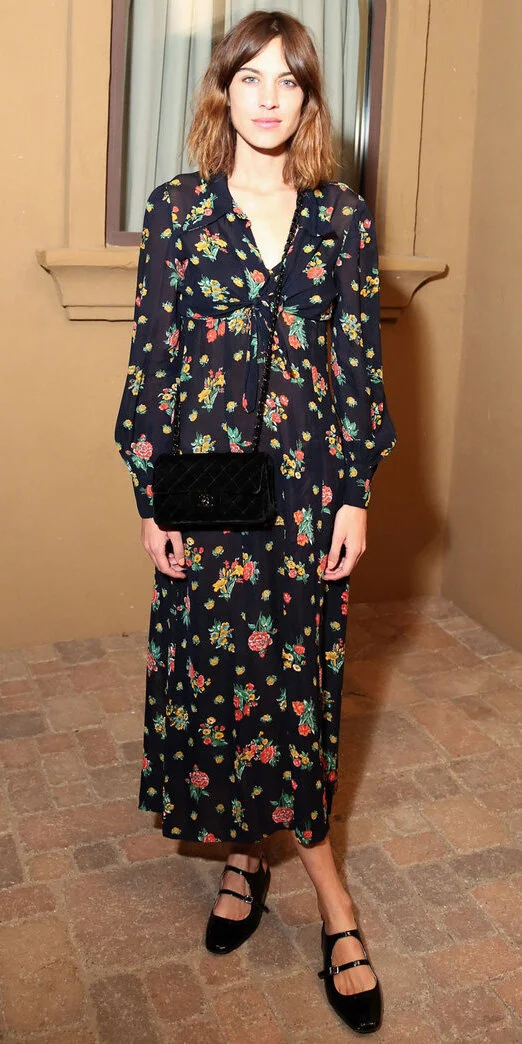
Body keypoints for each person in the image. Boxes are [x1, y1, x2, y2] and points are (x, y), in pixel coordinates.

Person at [115, 9, 397, 1034]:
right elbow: (154, 361)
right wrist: (152, 495)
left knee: (298, 683)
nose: (269, 97)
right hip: (210, 478)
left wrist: (356, 491)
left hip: (311, 481)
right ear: (223, 92)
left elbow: (358, 366)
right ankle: (246, 856)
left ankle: (331, 901)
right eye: (250, 78)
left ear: (309, 99)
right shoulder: (180, 210)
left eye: (289, 79)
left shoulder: (342, 219)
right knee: (226, 671)